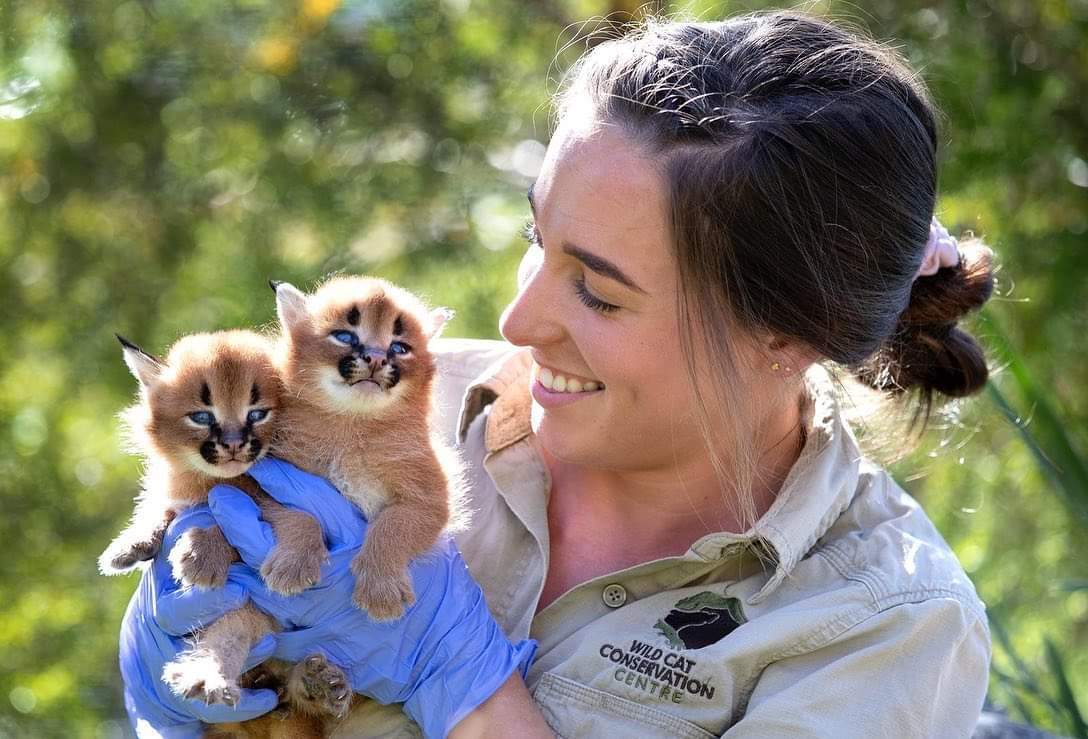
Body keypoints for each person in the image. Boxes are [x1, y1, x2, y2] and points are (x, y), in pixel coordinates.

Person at [118, 10, 998, 738]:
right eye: (536, 239)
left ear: (784, 335)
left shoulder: (886, 624)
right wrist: (169, 688)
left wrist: (459, 678)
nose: (519, 322)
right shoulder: (407, 405)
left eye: (600, 294)